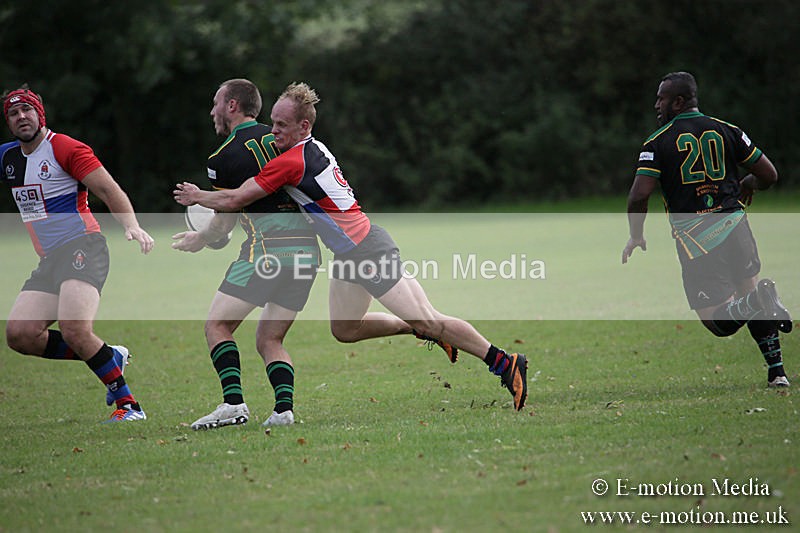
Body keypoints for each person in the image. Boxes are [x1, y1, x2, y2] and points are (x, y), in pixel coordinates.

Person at [175, 82, 529, 411]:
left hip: (367, 250)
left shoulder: (291, 162)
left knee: (430, 319)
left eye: (283, 125)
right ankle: (417, 329)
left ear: (304, 128)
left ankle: (503, 362)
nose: (275, 131)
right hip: (348, 254)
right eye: (273, 122)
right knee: (345, 330)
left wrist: (197, 196)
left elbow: (237, 198)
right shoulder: (310, 147)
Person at [622, 71, 792, 387]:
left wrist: (636, 234)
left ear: (679, 101)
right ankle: (777, 372)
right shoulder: (728, 130)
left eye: (662, 98)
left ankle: (760, 306)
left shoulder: (658, 142)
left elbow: (639, 195)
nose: (656, 104)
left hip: (697, 238)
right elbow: (769, 174)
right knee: (749, 292)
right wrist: (749, 182)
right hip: (736, 225)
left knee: (718, 320)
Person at [172, 79, 322, 429]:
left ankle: (233, 404)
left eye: (216, 103)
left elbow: (224, 223)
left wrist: (202, 238)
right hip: (307, 254)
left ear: (232, 106)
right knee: (270, 338)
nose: (212, 111)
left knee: (217, 325)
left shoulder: (222, 156)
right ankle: (284, 411)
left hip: (266, 252)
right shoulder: (287, 140)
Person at [1, 85, 154, 422]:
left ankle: (128, 405)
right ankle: (109, 354)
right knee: (20, 335)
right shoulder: (8, 158)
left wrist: (131, 225)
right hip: (50, 259)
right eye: (13, 113)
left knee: (75, 328)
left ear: (40, 115)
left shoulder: (65, 148)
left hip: (83, 247)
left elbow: (109, 189)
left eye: (26, 110)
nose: (20, 117)